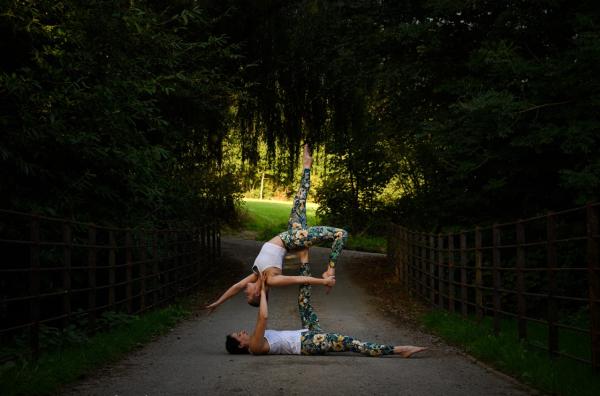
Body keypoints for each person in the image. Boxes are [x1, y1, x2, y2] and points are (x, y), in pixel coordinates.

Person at [205, 144, 348, 310]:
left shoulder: (256, 274)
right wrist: (324, 280)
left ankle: (307, 165)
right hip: (292, 240)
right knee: (341, 234)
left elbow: (236, 287)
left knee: (299, 199)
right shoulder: (272, 280)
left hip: (291, 234)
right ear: (258, 294)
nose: (245, 290)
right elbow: (298, 280)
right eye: (248, 294)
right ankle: (330, 270)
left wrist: (218, 302)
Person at [225, 256, 427, 358]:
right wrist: (261, 294)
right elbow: (263, 317)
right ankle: (400, 350)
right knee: (350, 342)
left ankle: (305, 257)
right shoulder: (254, 346)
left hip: (307, 334)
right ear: (241, 345)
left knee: (303, 302)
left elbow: (264, 314)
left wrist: (264, 288)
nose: (241, 332)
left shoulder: (253, 341)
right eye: (238, 335)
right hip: (309, 343)